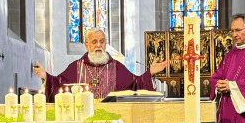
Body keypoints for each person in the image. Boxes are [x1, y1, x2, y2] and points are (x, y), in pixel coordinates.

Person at [34, 29, 169, 98]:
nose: (99, 45)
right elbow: (59, 83)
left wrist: (149, 73)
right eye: (94, 42)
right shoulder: (76, 67)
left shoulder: (116, 66)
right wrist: (46, 77)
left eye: (102, 41)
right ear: (87, 46)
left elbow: (136, 84)